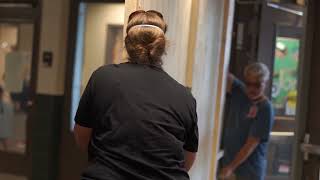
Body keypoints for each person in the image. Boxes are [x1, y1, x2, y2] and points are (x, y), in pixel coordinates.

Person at [74, 10, 198, 180]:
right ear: (162, 46)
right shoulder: (185, 97)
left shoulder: (103, 78)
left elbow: (82, 136)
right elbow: (187, 160)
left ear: (127, 43)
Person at [219, 63, 274, 180]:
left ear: (265, 83)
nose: (252, 89)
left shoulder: (265, 108)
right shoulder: (240, 91)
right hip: (230, 168)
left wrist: (230, 167)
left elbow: (251, 144)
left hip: (249, 172)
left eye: (257, 85)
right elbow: (221, 71)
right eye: (249, 84)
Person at [0, 86, 14, 151]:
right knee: (5, 143)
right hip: (4, 129)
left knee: (5, 143)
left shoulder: (6, 105)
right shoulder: (8, 104)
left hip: (3, 128)